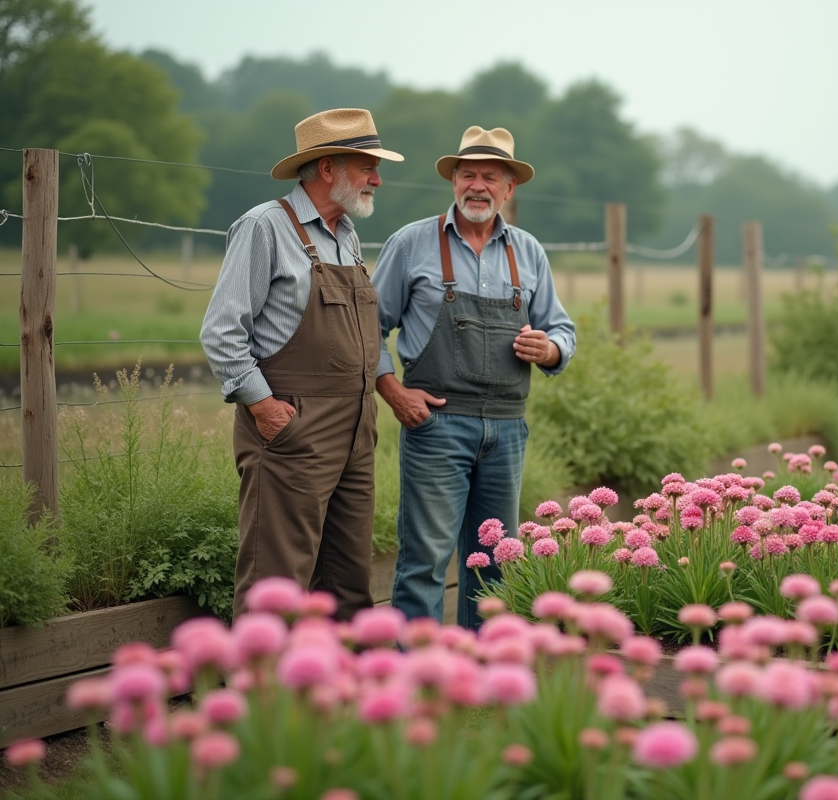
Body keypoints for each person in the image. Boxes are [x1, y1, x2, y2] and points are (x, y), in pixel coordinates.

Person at [200, 108, 404, 620]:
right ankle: (259, 693)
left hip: (356, 429)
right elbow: (222, 333)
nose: (377, 179)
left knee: (346, 575)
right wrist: (264, 407)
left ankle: (338, 690)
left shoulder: (345, 234)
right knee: (276, 576)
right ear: (328, 169)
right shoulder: (265, 227)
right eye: (366, 166)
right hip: (292, 427)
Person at [373, 126, 576, 630]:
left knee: (494, 560)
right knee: (425, 560)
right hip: (436, 426)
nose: (477, 185)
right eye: (468, 174)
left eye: (490, 176)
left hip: (507, 429)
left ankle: (484, 676)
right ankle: (418, 679)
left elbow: (562, 329)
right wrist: (392, 390)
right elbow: (365, 329)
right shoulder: (411, 244)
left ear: (510, 188)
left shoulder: (527, 251)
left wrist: (549, 348)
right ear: (453, 181)